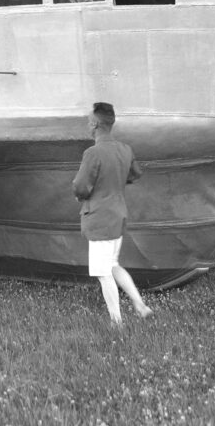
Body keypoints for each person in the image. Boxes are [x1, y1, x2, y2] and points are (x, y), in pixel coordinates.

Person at [72, 102, 152, 324]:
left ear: (95, 124)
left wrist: (82, 193)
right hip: (118, 215)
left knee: (102, 272)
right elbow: (135, 174)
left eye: (89, 121)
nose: (88, 124)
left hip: (99, 219)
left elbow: (80, 187)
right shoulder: (125, 149)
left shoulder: (93, 153)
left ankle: (116, 323)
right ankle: (139, 303)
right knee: (112, 264)